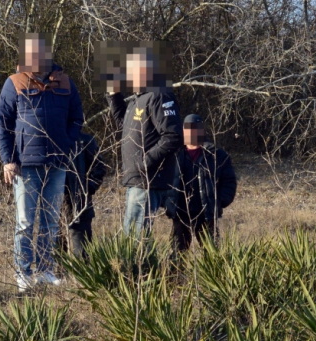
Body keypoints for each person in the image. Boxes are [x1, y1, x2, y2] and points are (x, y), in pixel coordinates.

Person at [0, 33, 85, 292]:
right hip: (25, 165)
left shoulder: (65, 82)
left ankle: (45, 271)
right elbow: (3, 122)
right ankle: (23, 274)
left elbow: (76, 118)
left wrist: (66, 143)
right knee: (25, 223)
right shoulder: (14, 82)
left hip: (57, 163)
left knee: (50, 221)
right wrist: (8, 160)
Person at [106, 44, 183, 235]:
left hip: (147, 179)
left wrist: (145, 162)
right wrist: (114, 96)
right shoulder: (138, 98)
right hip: (137, 179)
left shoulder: (159, 95)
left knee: (134, 239)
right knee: (134, 237)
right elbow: (125, 126)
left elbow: (173, 136)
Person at [165, 114, 237, 251]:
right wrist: (167, 201)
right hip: (180, 212)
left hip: (206, 212)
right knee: (177, 254)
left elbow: (229, 181)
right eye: (188, 129)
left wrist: (219, 201)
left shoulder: (216, 155)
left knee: (212, 254)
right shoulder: (174, 154)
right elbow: (163, 179)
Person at [63, 131, 107, 256]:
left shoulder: (85, 140)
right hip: (55, 206)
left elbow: (99, 168)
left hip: (80, 206)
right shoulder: (49, 139)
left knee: (83, 257)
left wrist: (86, 190)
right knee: (56, 258)